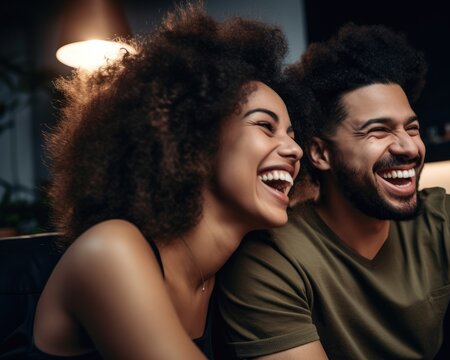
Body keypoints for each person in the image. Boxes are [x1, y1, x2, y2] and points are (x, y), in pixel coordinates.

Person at [217, 23, 450, 359]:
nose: (408, 147)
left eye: (411, 128)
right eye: (378, 131)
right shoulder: (272, 259)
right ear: (320, 154)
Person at [8, 3, 302, 359]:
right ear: (194, 139)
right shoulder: (111, 249)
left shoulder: (232, 274)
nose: (293, 148)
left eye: (292, 133)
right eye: (265, 125)